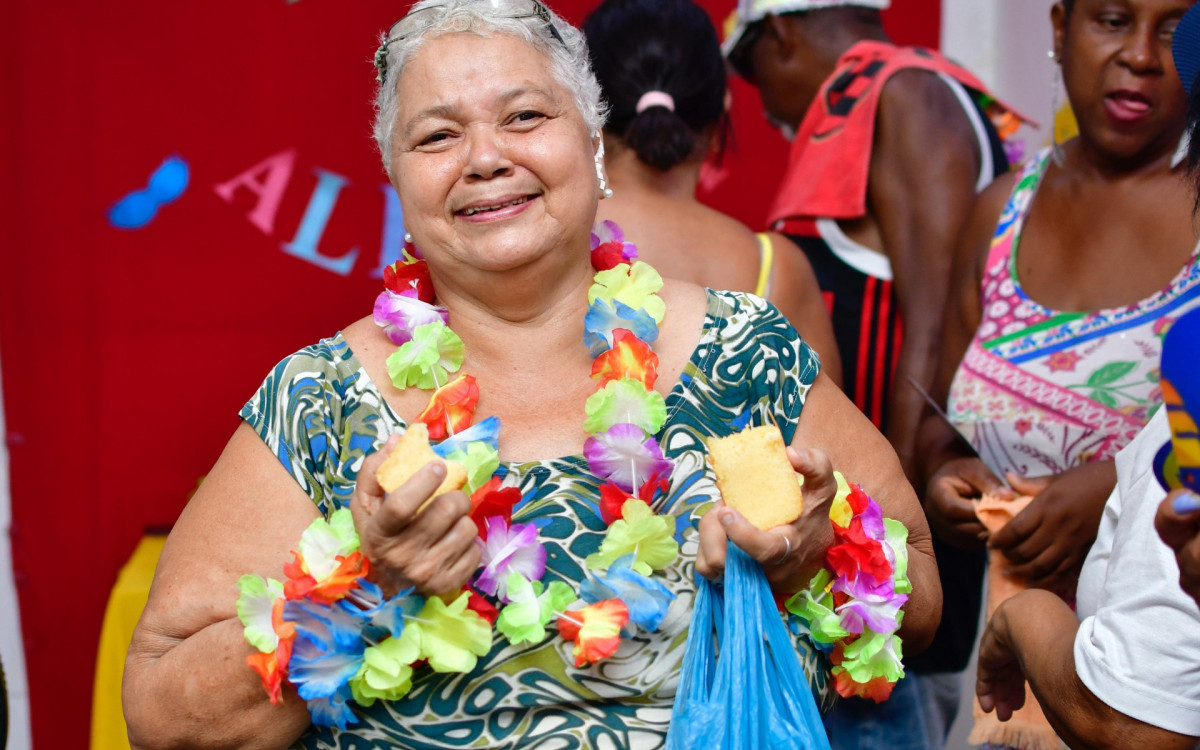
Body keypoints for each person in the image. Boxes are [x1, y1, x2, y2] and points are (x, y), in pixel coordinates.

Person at [120, 2, 939, 748]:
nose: (484, 158)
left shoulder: (740, 351)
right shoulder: (323, 400)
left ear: (591, 138)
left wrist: (815, 554)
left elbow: (922, 597)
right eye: (437, 136)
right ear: (395, 173)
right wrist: (361, 587)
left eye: (524, 117)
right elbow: (161, 713)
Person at [723, 0, 1018, 746]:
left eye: (758, 81)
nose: (770, 111)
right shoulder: (897, 92)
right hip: (863, 536)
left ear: (780, 35)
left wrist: (892, 539)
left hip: (894, 547)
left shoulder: (907, 95)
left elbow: (935, 328)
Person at [923, 0, 1200, 746]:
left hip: (1155, 687)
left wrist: (1112, 486)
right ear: (1058, 28)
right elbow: (933, 426)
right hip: (1001, 670)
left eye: (1174, 29)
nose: (1141, 54)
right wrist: (952, 478)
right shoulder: (1001, 211)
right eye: (1112, 18)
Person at [583, 0, 843, 386]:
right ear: (723, 103)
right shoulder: (775, 269)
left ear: (585, 109)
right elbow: (827, 438)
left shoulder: (543, 244)